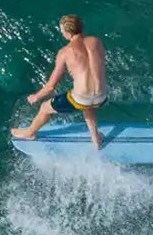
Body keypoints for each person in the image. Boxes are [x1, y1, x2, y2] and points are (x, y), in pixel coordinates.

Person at [12, 14, 108, 150]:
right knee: (88, 103)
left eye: (62, 30)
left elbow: (50, 87)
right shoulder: (96, 41)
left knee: (45, 108)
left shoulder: (65, 52)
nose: (61, 33)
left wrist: (36, 96)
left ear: (69, 33)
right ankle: (95, 138)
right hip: (102, 96)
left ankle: (30, 133)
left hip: (82, 99)